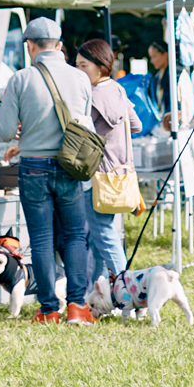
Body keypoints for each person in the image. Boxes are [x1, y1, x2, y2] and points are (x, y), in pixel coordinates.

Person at [0, 18, 95, 325]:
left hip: (34, 165)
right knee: (76, 235)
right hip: (69, 164)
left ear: (30, 46)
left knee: (41, 238)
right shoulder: (80, 78)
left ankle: (49, 309)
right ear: (60, 46)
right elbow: (84, 124)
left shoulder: (21, 79)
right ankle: (78, 306)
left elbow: (7, 130)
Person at [75, 38, 142, 283]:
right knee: (101, 233)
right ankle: (103, 293)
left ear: (100, 65)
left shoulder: (91, 97)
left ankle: (128, 289)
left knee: (102, 234)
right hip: (119, 174)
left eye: (83, 65)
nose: (79, 71)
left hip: (97, 175)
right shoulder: (117, 89)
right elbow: (136, 125)